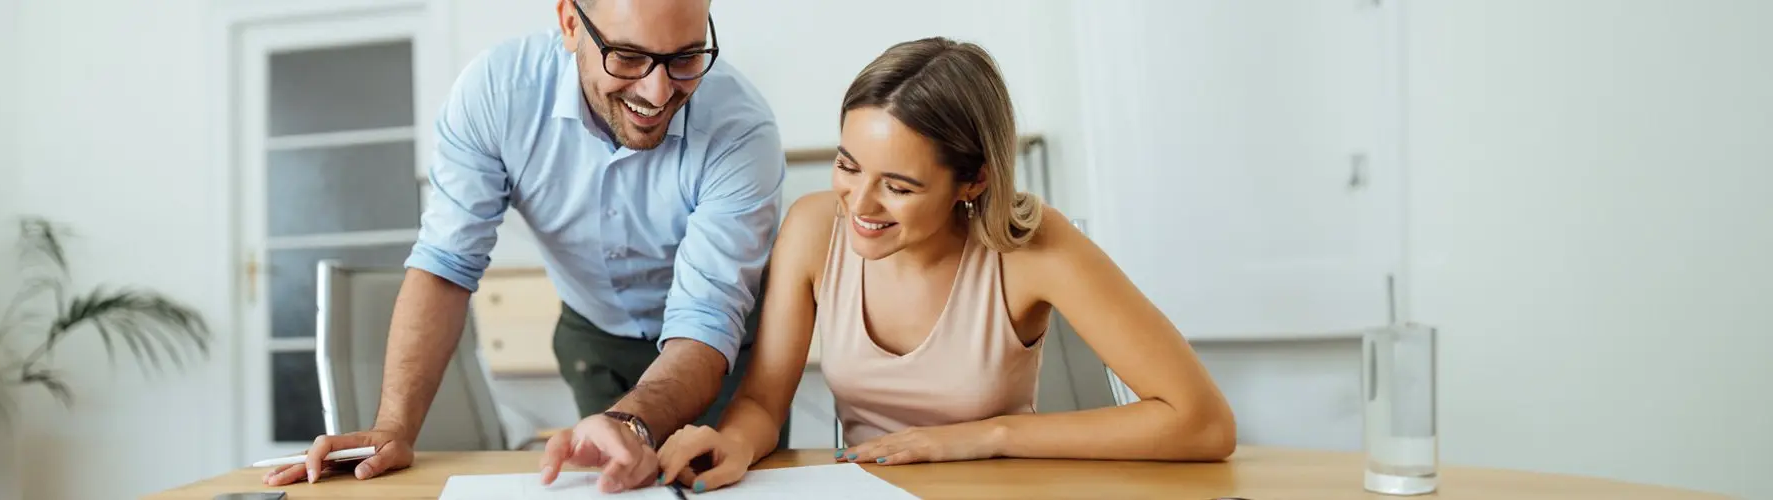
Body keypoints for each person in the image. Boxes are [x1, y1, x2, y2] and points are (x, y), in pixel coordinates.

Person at [652, 37, 1239, 492]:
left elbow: (1203, 423)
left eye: (899, 187)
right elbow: (761, 404)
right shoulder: (812, 229)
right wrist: (729, 440)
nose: (858, 205)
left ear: (973, 180)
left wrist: (984, 437)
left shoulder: (1032, 245)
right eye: (848, 166)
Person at [262, 0, 788, 492]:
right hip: (593, 336)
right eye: (627, 57)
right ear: (569, 22)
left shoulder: (741, 131)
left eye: (686, 58)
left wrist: (632, 419)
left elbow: (705, 319)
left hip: (722, 354)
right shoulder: (498, 95)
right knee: (613, 485)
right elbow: (446, 266)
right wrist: (394, 427)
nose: (656, 93)